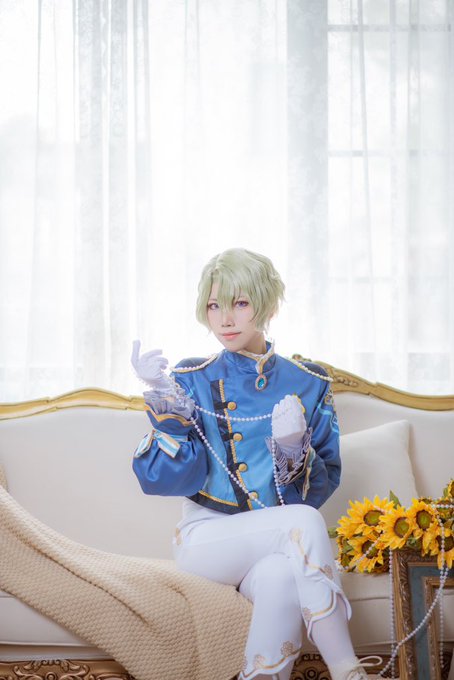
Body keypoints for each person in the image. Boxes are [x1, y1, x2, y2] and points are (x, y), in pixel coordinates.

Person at [131, 248, 381, 680]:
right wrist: (165, 407)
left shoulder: (309, 382)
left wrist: (294, 449)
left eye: (240, 303)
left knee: (282, 577)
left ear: (268, 305)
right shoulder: (190, 379)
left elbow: (323, 484)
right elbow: (162, 479)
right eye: (214, 306)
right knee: (302, 522)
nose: (225, 320)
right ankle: (347, 669)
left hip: (275, 545)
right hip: (206, 540)